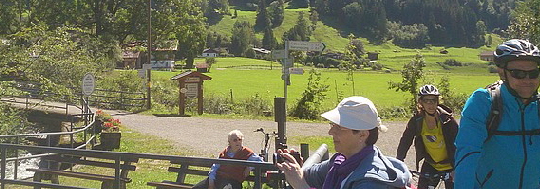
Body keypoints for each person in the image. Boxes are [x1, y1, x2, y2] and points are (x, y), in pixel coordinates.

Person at [454, 39, 540, 189]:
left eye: (533, 73)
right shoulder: (483, 103)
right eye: (518, 73)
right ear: (502, 73)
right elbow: (467, 157)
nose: (527, 80)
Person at [275, 96, 412, 189]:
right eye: (332, 125)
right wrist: (296, 166)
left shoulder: (370, 181)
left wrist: (300, 185)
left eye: (339, 127)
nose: (331, 132)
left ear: (362, 134)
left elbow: (302, 181)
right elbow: (308, 175)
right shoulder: (341, 162)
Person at [396, 84, 458, 188]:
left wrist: (457, 168)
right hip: (431, 163)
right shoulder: (417, 120)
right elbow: (406, 139)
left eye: (433, 100)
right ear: (421, 102)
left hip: (451, 165)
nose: (430, 104)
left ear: (437, 101)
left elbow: (460, 144)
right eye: (426, 101)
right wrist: (399, 161)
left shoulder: (448, 121)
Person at [192, 129, 263, 189]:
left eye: (240, 139)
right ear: (229, 142)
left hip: (234, 182)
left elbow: (261, 162)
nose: (238, 142)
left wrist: (249, 167)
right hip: (218, 179)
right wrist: (211, 181)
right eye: (235, 140)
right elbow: (215, 167)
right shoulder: (224, 153)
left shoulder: (247, 152)